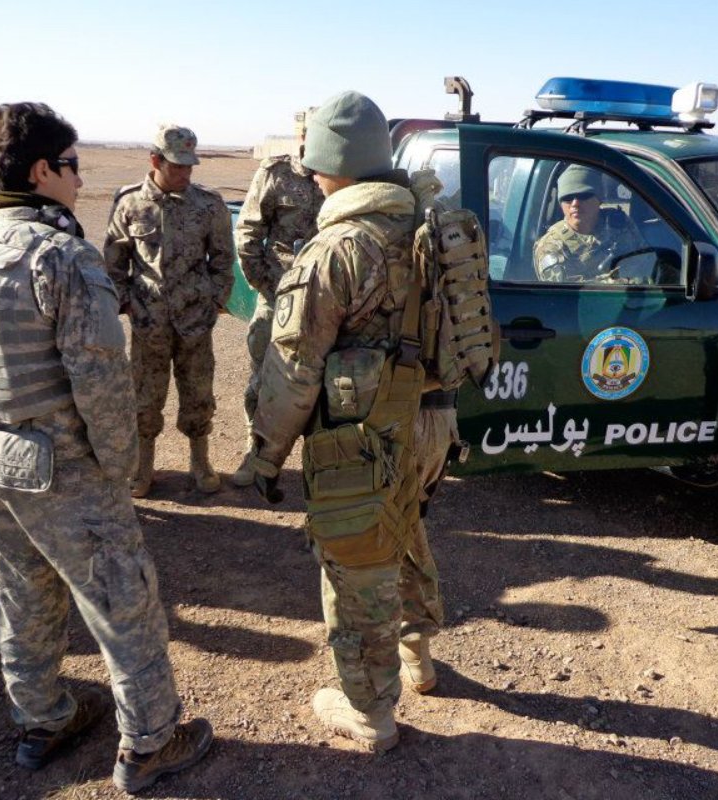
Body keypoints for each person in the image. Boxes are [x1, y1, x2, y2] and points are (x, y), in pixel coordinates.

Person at [0, 102, 212, 793]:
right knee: (124, 598)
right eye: (74, 167)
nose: (81, 182)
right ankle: (151, 741)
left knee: (21, 595)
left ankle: (43, 717)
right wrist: (114, 474)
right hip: (62, 469)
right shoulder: (60, 255)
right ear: (42, 171)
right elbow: (103, 387)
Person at [248, 91, 435, 752]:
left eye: (318, 165)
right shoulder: (425, 226)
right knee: (404, 530)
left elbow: (293, 369)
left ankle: (367, 710)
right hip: (425, 423)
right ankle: (418, 656)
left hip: (356, 439)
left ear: (339, 166)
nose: (314, 177)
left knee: (356, 564)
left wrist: (264, 454)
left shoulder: (337, 250)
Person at [104, 125, 234, 498]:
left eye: (190, 166)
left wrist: (214, 302)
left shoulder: (209, 204)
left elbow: (224, 260)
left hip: (196, 321)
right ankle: (143, 466)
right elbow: (115, 264)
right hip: (149, 324)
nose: (186, 174)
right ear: (155, 160)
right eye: (177, 166)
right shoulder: (129, 203)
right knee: (144, 397)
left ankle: (200, 461)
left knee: (198, 393)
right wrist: (129, 304)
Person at [231, 108, 323, 487]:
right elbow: (248, 234)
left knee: (322, 381)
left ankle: (320, 462)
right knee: (264, 377)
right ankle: (256, 455)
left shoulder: (340, 178)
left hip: (323, 299)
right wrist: (267, 287)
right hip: (279, 295)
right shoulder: (276, 174)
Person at [533, 164, 646, 282]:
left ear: (599, 199)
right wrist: (624, 280)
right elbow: (569, 294)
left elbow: (646, 260)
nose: (575, 203)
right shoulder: (551, 246)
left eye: (583, 195)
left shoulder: (619, 222)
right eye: (568, 198)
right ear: (560, 204)